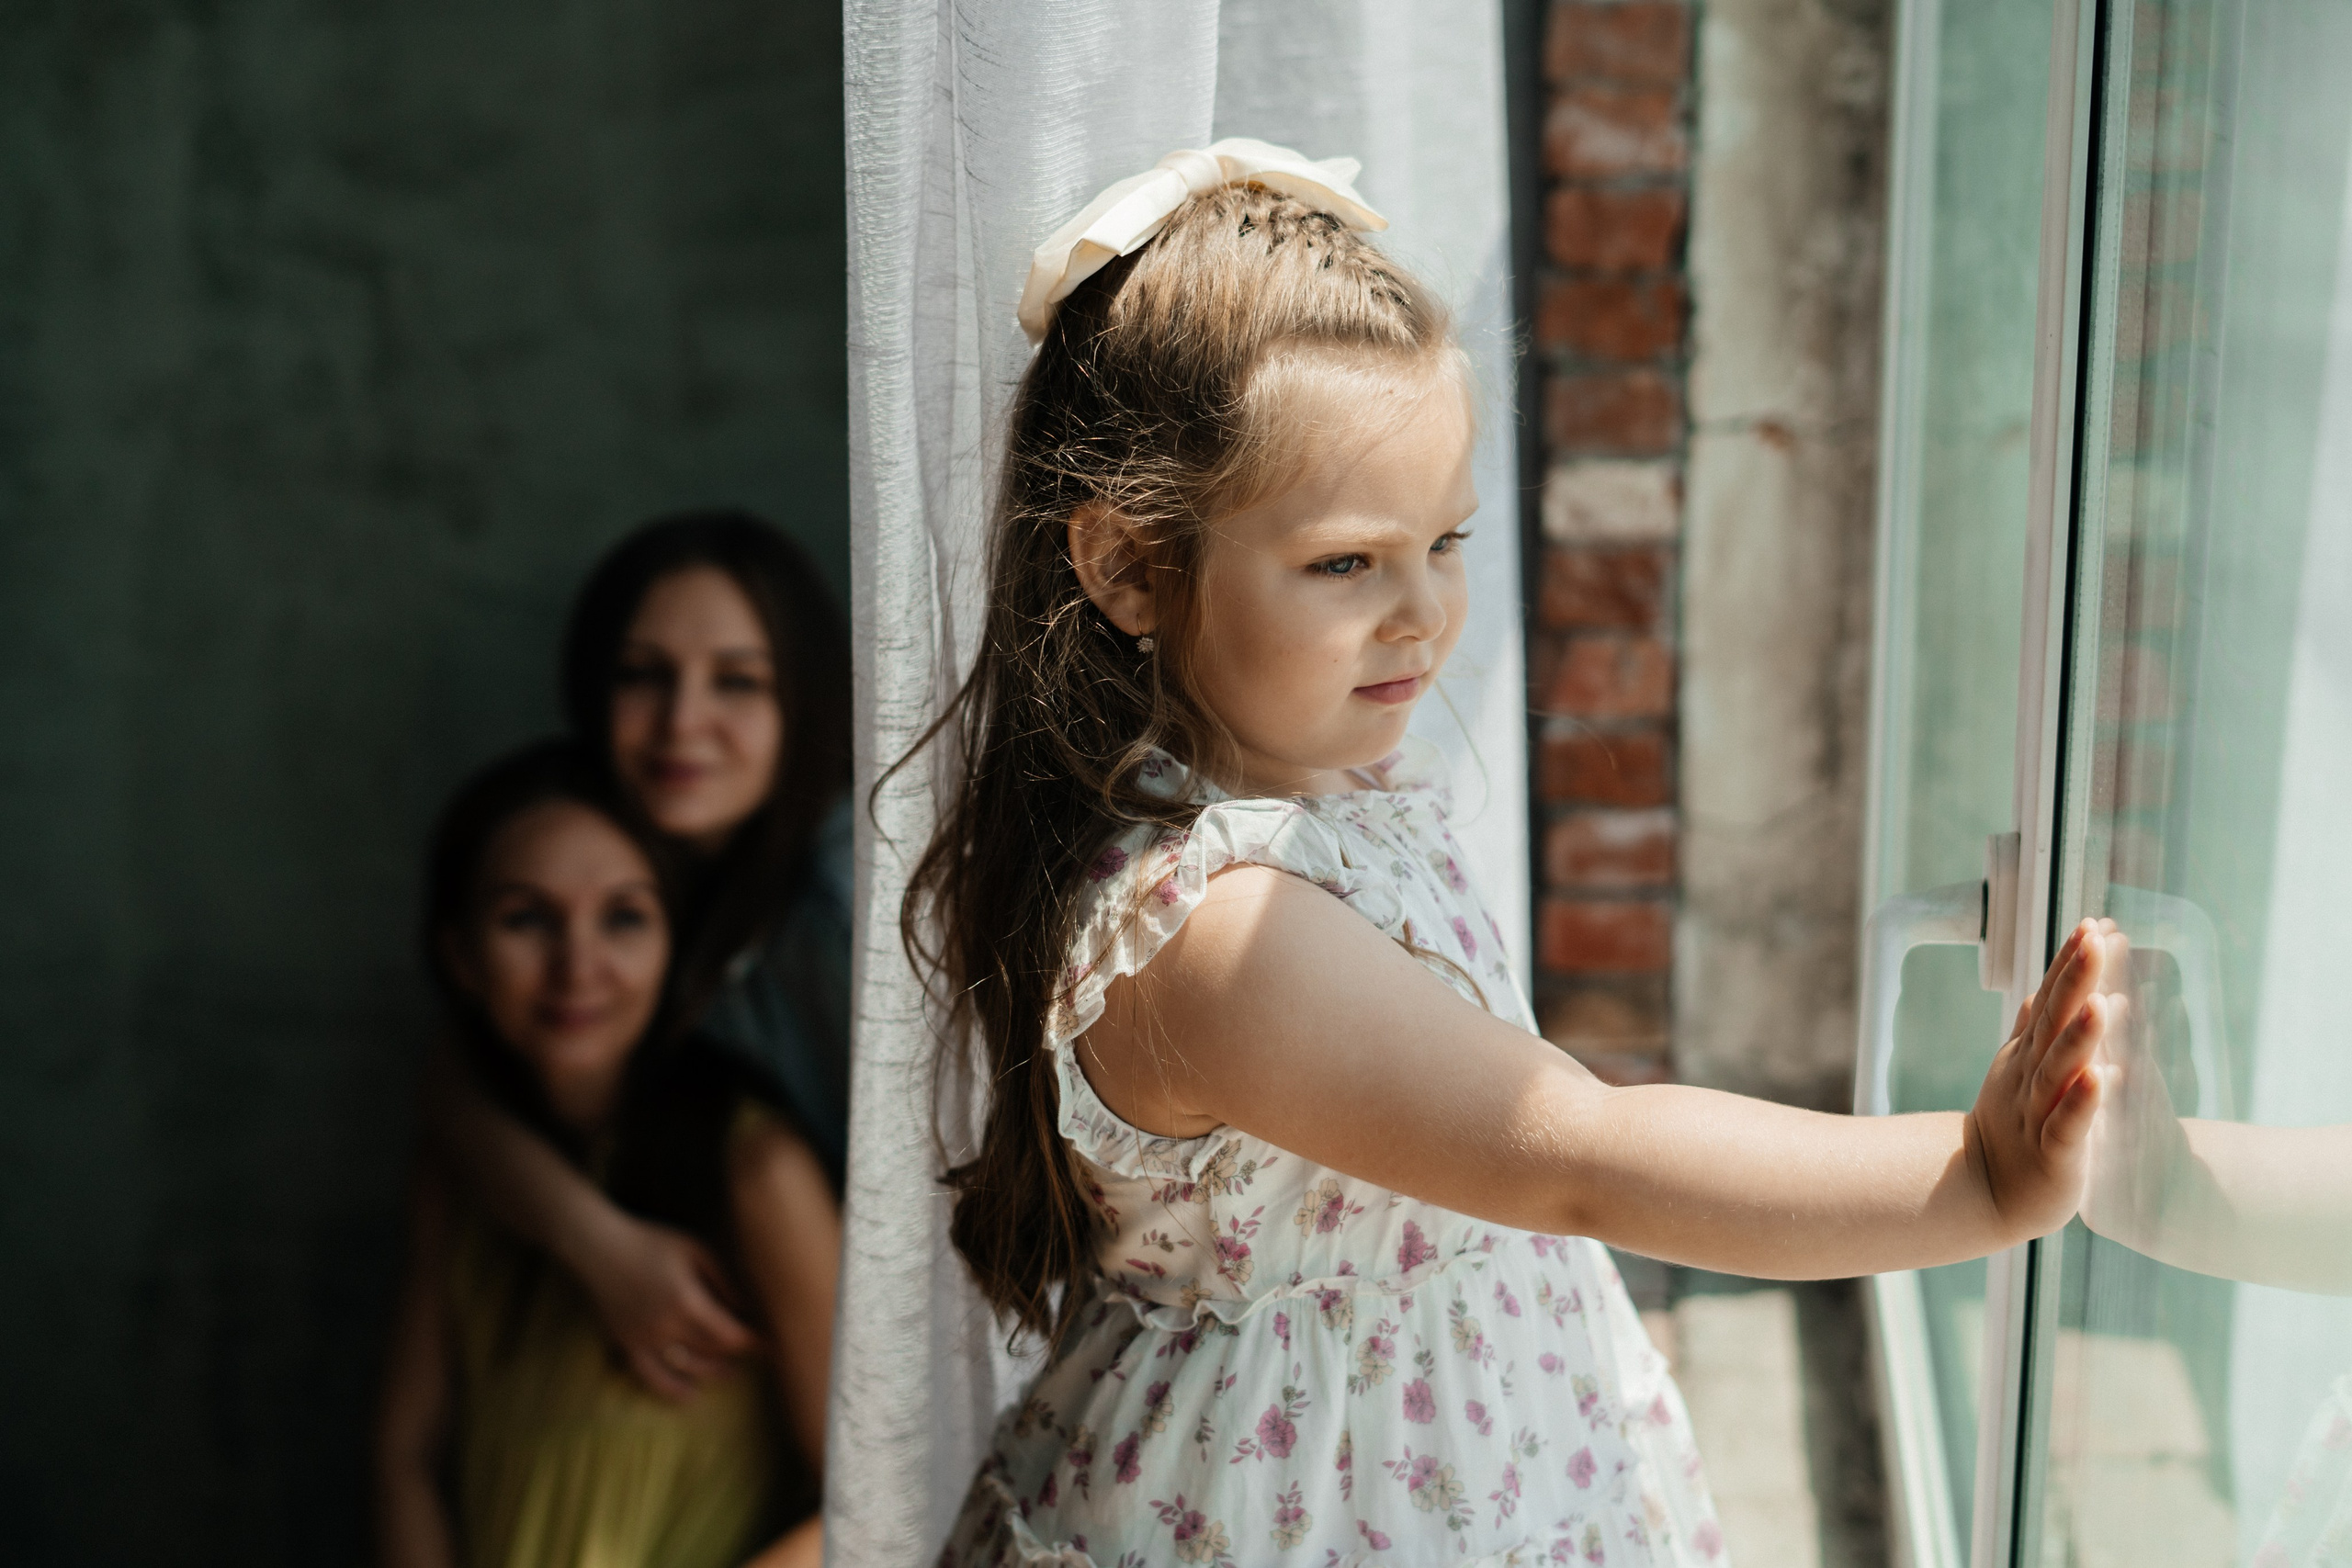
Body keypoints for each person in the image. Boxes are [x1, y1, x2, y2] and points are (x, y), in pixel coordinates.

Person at [901, 142, 2116, 1566]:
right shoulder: (1218, 936)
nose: (1422, 612)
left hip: (1476, 1442)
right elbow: (1583, 1155)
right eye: (1346, 562)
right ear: (1125, 567)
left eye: (1446, 539)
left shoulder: (1332, 794)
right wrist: (1973, 1177)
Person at [376, 740, 837, 1568]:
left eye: (624, 916)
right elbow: (407, 1454)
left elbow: (875, 1500)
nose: (577, 966)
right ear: (460, 955)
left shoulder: (755, 1169)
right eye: (526, 918)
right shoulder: (465, 1165)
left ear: (674, 943)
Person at [427, 512, 854, 1402]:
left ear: (805, 700)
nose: (681, 722)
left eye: (737, 681)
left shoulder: (853, 898)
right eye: (642, 675)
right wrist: (598, 1244)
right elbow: (457, 1083)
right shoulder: (614, 859)